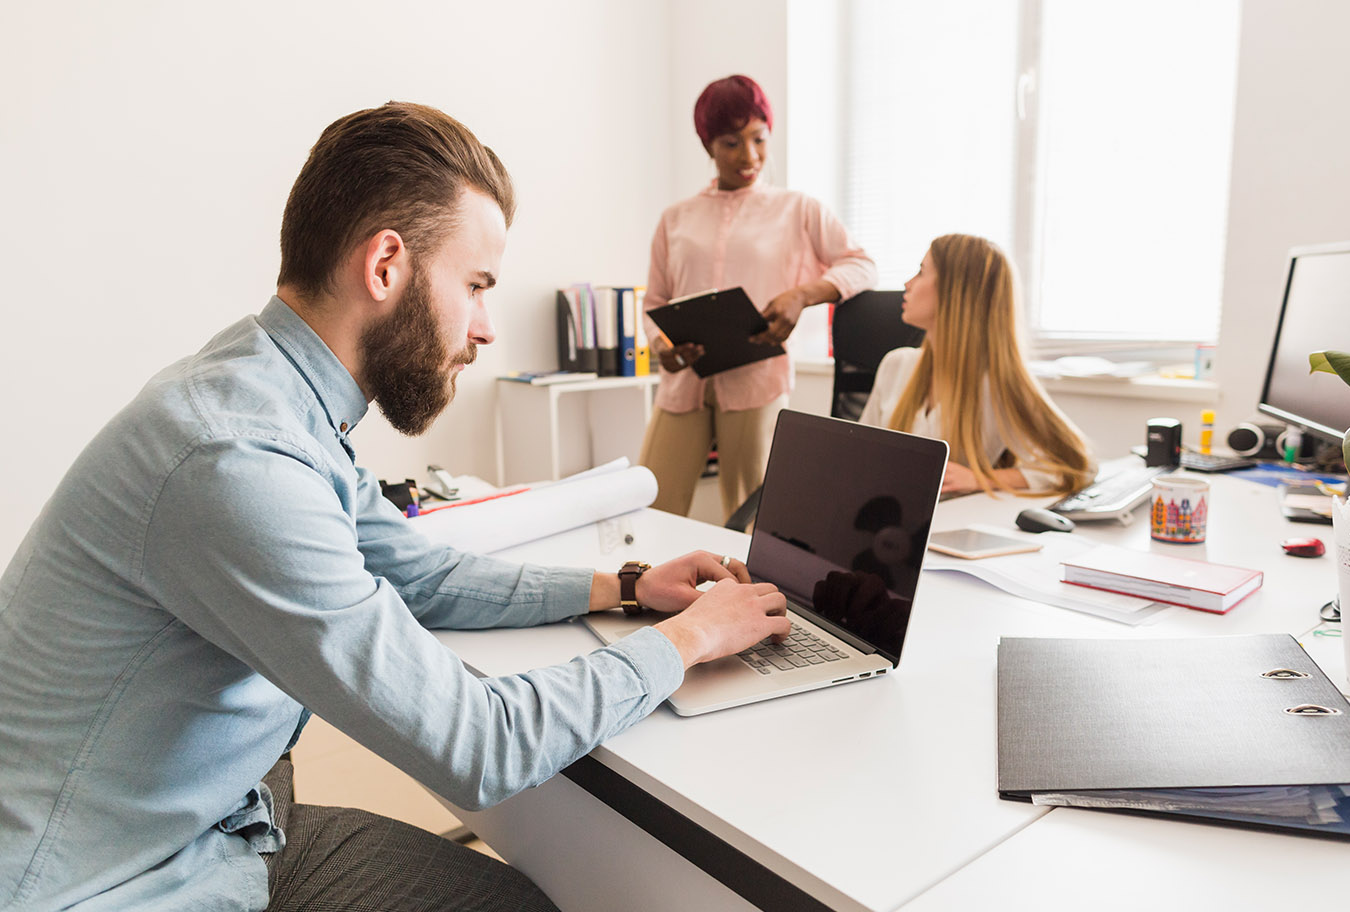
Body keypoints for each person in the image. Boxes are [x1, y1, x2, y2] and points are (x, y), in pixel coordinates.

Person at [0, 102, 792, 912]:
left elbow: (415, 572)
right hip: (113, 879)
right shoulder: (237, 457)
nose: (485, 328)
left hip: (219, 816)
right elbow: (477, 745)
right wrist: (691, 637)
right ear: (385, 266)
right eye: (477, 286)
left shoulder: (274, 394)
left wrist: (625, 588)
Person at [639, 74, 877, 519]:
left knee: (752, 519)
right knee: (650, 505)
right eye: (731, 143)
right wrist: (661, 346)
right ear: (708, 145)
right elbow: (655, 301)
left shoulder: (799, 209)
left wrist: (802, 295)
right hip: (683, 381)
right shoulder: (676, 219)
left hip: (757, 379)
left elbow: (861, 265)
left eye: (759, 139)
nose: (749, 156)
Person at [859, 233, 1094, 496]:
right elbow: (860, 455)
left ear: (955, 291)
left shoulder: (998, 385)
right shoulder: (896, 364)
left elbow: (1075, 466)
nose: (907, 283)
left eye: (921, 272)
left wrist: (980, 478)